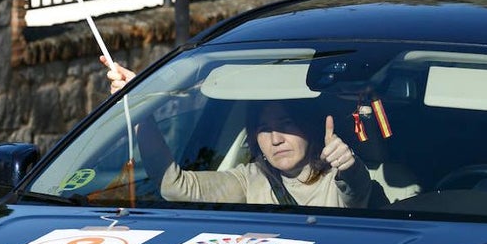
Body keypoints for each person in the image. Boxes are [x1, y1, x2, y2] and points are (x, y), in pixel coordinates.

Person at [102, 58, 373, 207]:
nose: (276, 139)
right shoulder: (250, 180)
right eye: (264, 129)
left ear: (309, 128)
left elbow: (356, 188)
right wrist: (140, 108)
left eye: (286, 124)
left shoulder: (337, 178)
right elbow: (175, 187)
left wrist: (348, 164)